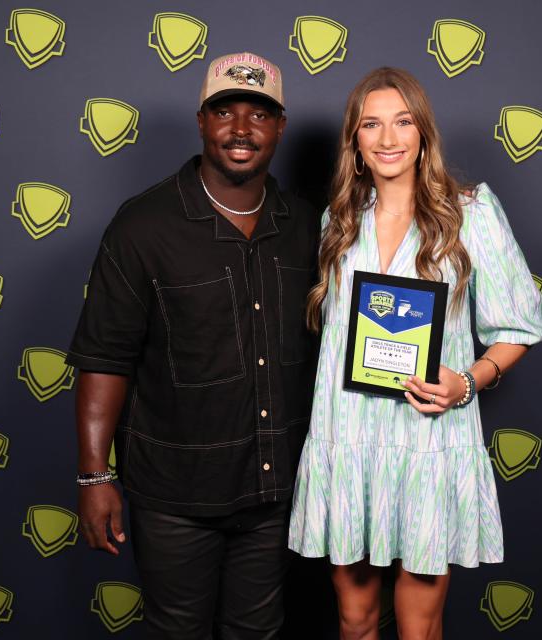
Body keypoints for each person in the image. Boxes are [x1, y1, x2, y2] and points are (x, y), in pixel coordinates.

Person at [287, 67, 542, 639]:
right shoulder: (336, 223)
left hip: (429, 441)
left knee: (418, 627)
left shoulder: (471, 214)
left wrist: (469, 381)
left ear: (423, 132)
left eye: (402, 122)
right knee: (354, 618)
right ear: (355, 143)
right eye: (372, 125)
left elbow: (519, 326)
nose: (389, 139)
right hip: (349, 437)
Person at [66, 52, 319, 639]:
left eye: (259, 114)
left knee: (257, 631)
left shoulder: (309, 225)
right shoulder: (142, 226)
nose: (240, 128)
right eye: (224, 111)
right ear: (202, 121)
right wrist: (92, 476)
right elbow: (105, 357)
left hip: (275, 490)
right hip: (174, 494)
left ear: (280, 127)